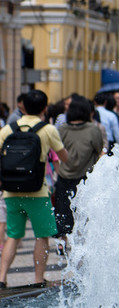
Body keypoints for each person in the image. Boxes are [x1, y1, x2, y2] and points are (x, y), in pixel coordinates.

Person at [0, 89, 67, 288]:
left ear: (22, 107)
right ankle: (38, 280)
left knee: (13, 236)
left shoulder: (7, 129)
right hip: (37, 192)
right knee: (41, 236)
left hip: (11, 191)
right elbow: (64, 157)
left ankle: (1, 278)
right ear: (45, 108)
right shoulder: (48, 130)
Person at [53, 97, 105, 254]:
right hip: (85, 178)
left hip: (64, 176)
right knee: (84, 212)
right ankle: (83, 245)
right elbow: (99, 148)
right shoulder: (93, 129)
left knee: (63, 210)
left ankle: (62, 242)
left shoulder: (63, 129)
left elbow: (57, 150)